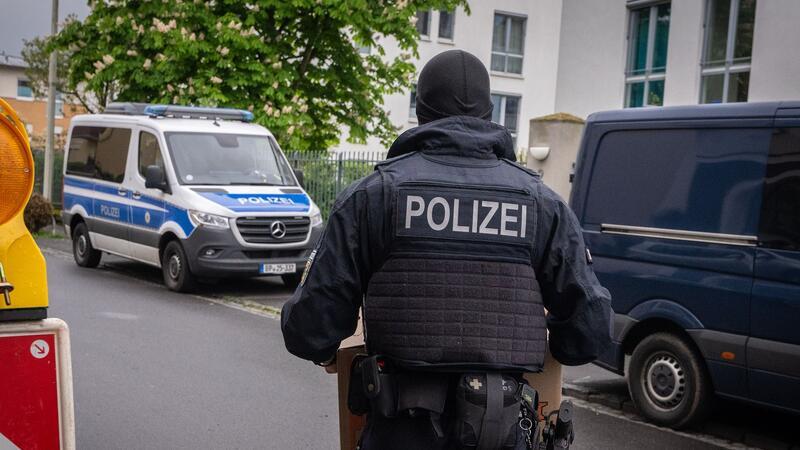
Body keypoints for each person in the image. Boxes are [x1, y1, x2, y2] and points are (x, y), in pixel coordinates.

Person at [281, 49, 612, 450]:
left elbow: (310, 332)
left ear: (420, 114)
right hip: (503, 428)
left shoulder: (372, 197)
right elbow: (588, 334)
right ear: (490, 116)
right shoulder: (542, 204)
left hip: (398, 430)